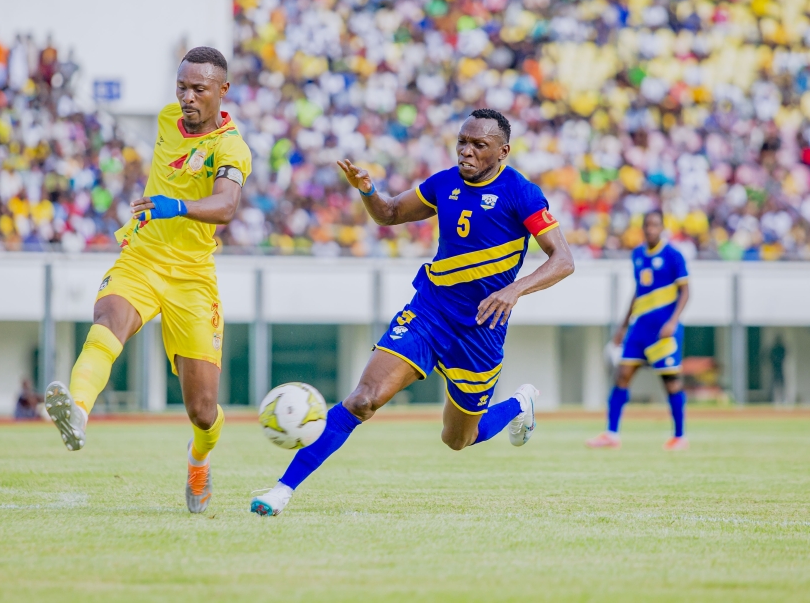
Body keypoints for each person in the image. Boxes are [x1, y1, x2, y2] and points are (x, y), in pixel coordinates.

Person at [251, 109, 576, 516]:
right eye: (462, 142)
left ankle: (518, 405)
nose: (466, 152)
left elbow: (562, 260)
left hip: (481, 331)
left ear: (503, 151)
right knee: (363, 401)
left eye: (479, 145)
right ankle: (282, 490)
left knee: (458, 439)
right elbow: (388, 214)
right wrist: (367, 189)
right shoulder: (444, 184)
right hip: (429, 314)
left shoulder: (522, 193)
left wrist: (515, 290)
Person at [43, 46, 252, 514]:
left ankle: (199, 460)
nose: (187, 97)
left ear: (223, 91)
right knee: (109, 317)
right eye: (182, 87)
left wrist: (177, 206)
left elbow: (226, 206)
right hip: (142, 255)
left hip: (193, 278)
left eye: (199, 89)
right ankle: (77, 410)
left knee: (202, 410)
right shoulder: (165, 119)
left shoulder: (231, 147)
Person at [587, 211, 690, 451]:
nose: (651, 228)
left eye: (655, 225)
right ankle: (611, 434)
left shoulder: (673, 255)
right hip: (639, 328)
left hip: (663, 329)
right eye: (647, 225)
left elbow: (685, 292)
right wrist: (623, 326)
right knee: (622, 375)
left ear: (662, 227)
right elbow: (638, 291)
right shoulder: (638, 254)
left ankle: (679, 436)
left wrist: (673, 322)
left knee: (671, 382)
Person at [769, 336, 786, 405]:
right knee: (774, 384)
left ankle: (783, 399)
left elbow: (784, 355)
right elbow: (770, 356)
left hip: (780, 368)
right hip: (775, 368)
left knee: (782, 384)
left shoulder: (781, 348)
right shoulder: (774, 349)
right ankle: (774, 399)